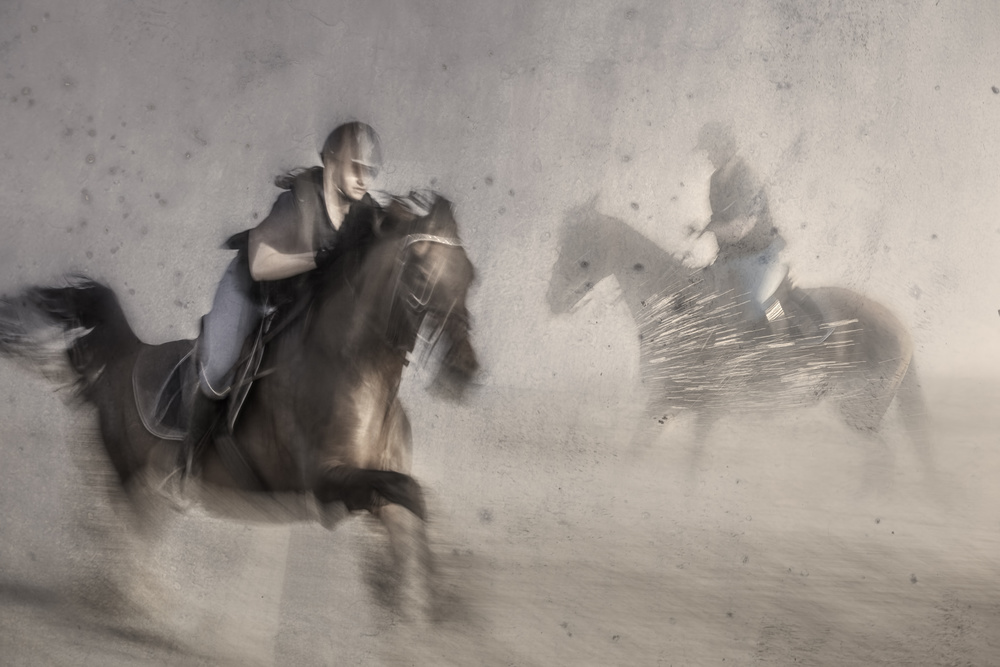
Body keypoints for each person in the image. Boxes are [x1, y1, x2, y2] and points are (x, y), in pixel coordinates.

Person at [178, 121, 384, 475]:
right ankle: (186, 459)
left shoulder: (367, 213)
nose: (364, 179)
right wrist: (318, 257)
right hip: (251, 290)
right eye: (356, 168)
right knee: (218, 369)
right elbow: (260, 264)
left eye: (369, 171)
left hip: (297, 299)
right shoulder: (298, 200)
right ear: (332, 162)